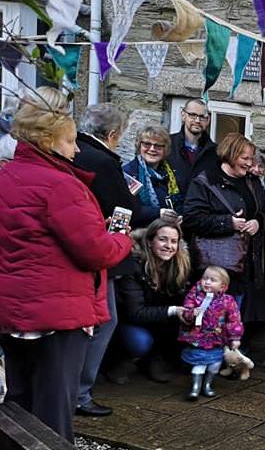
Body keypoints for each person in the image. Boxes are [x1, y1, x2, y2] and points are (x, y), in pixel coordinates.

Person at [0, 87, 133, 440]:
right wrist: (122, 239)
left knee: (17, 404)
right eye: (72, 141)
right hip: (57, 313)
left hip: (12, 309)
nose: (76, 150)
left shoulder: (5, 176)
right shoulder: (62, 186)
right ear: (50, 140)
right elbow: (96, 252)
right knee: (54, 412)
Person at [71, 102, 137, 418]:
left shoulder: (74, 152)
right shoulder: (103, 161)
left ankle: (71, 391)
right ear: (112, 134)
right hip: (98, 253)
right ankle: (80, 394)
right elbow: (123, 208)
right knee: (103, 322)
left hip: (73, 251)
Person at [183, 132, 265, 325]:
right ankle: (207, 356)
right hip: (216, 267)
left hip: (246, 265)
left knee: (234, 322)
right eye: (244, 158)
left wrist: (258, 222)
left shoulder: (252, 182)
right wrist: (228, 223)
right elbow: (191, 219)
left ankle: (231, 351)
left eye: (251, 158)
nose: (249, 164)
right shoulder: (205, 181)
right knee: (210, 324)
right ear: (230, 155)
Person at [114, 219, 191, 384]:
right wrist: (173, 311)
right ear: (149, 241)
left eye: (173, 241)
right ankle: (119, 359)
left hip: (160, 320)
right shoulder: (133, 266)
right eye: (162, 239)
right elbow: (134, 313)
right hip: (130, 322)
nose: (168, 246)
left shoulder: (180, 265)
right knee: (140, 342)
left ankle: (156, 359)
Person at [178, 266, 243, 400]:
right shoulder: (194, 296)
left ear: (222, 286)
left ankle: (207, 385)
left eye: (212, 280)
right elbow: (186, 310)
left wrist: (235, 337)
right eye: (205, 278)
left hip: (217, 339)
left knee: (214, 365)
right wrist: (190, 313)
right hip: (198, 337)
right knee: (199, 364)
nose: (207, 282)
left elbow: (234, 319)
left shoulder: (228, 301)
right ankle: (195, 388)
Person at [123, 124, 183, 226]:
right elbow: (127, 208)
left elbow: (178, 201)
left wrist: (180, 215)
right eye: (147, 144)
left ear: (165, 149)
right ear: (139, 146)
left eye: (158, 146)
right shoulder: (128, 173)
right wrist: (158, 213)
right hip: (139, 235)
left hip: (165, 234)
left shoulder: (171, 174)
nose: (152, 149)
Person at [167, 98, 218, 194]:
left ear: (208, 120)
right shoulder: (168, 145)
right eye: (193, 115)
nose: (197, 120)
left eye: (202, 117)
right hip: (172, 206)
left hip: (201, 207)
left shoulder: (215, 152)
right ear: (183, 115)